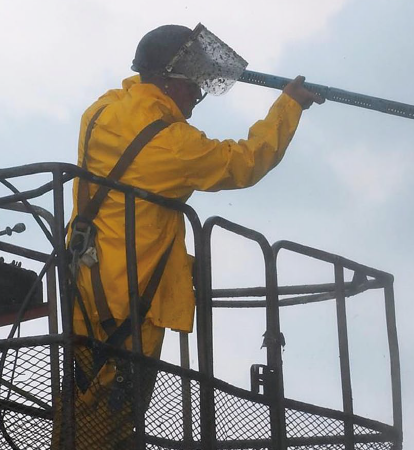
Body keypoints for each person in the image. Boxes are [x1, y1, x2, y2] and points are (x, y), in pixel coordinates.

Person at [53, 24, 323, 449]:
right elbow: (244, 162)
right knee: (110, 417)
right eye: (192, 85)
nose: (196, 97)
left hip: (84, 286)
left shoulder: (102, 111)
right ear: (168, 81)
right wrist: (288, 107)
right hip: (132, 305)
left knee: (80, 405)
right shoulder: (173, 145)